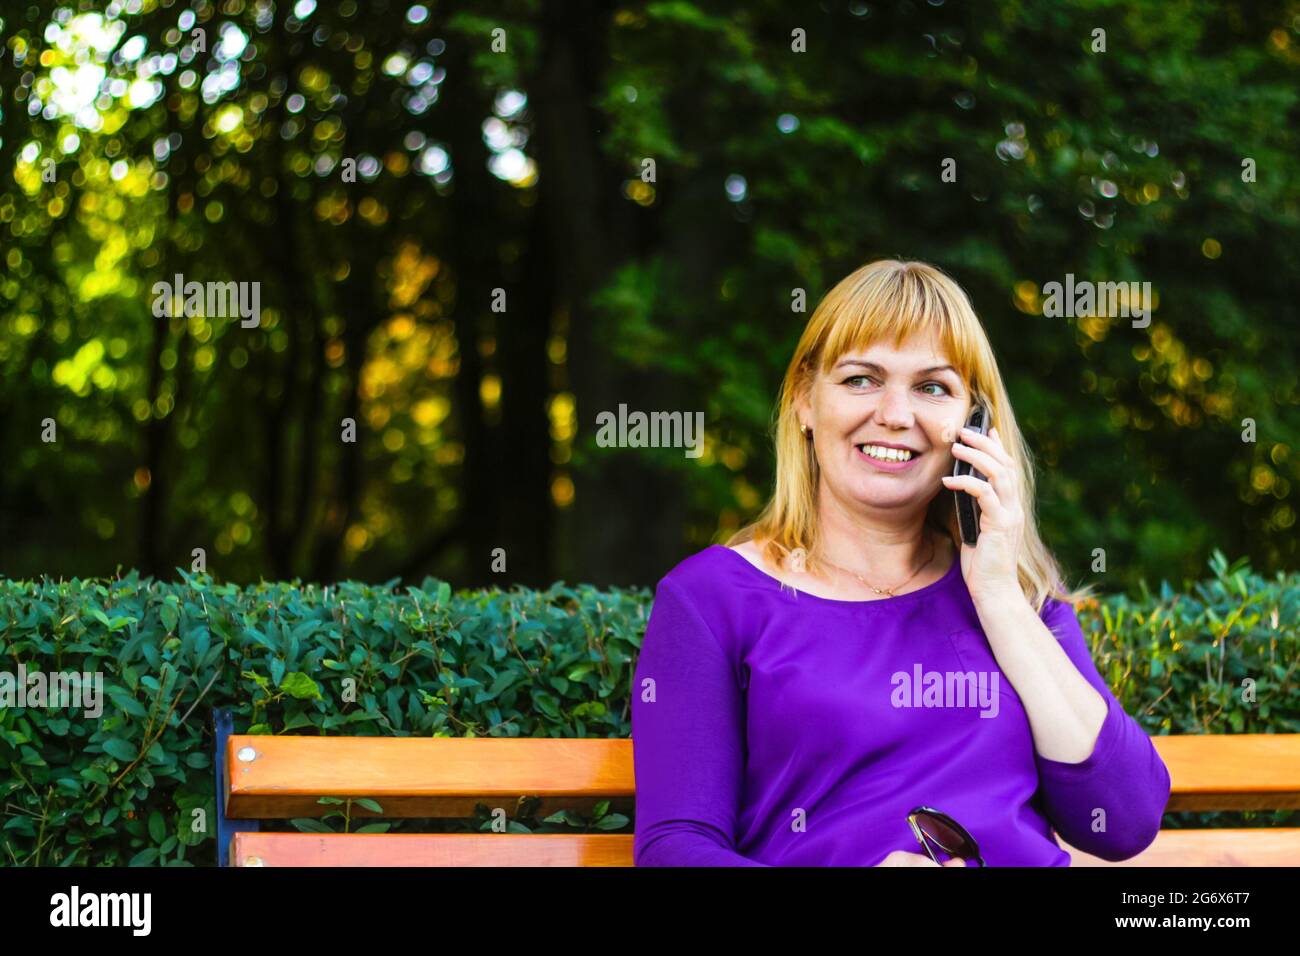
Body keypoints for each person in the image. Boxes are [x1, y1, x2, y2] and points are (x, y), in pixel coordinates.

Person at [631, 259, 1172, 866]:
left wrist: (996, 594)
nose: (894, 414)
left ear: (974, 426)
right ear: (806, 401)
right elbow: (675, 849)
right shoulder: (713, 599)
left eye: (932, 387)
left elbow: (1123, 819)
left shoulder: (1014, 599)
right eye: (862, 379)